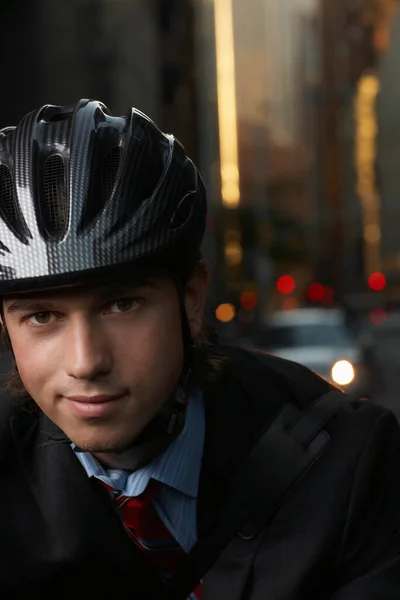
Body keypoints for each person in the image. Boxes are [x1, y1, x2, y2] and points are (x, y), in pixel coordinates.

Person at [0, 99, 399, 600]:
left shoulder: (349, 461)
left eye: (122, 305)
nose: (86, 362)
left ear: (190, 298)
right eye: (42, 317)